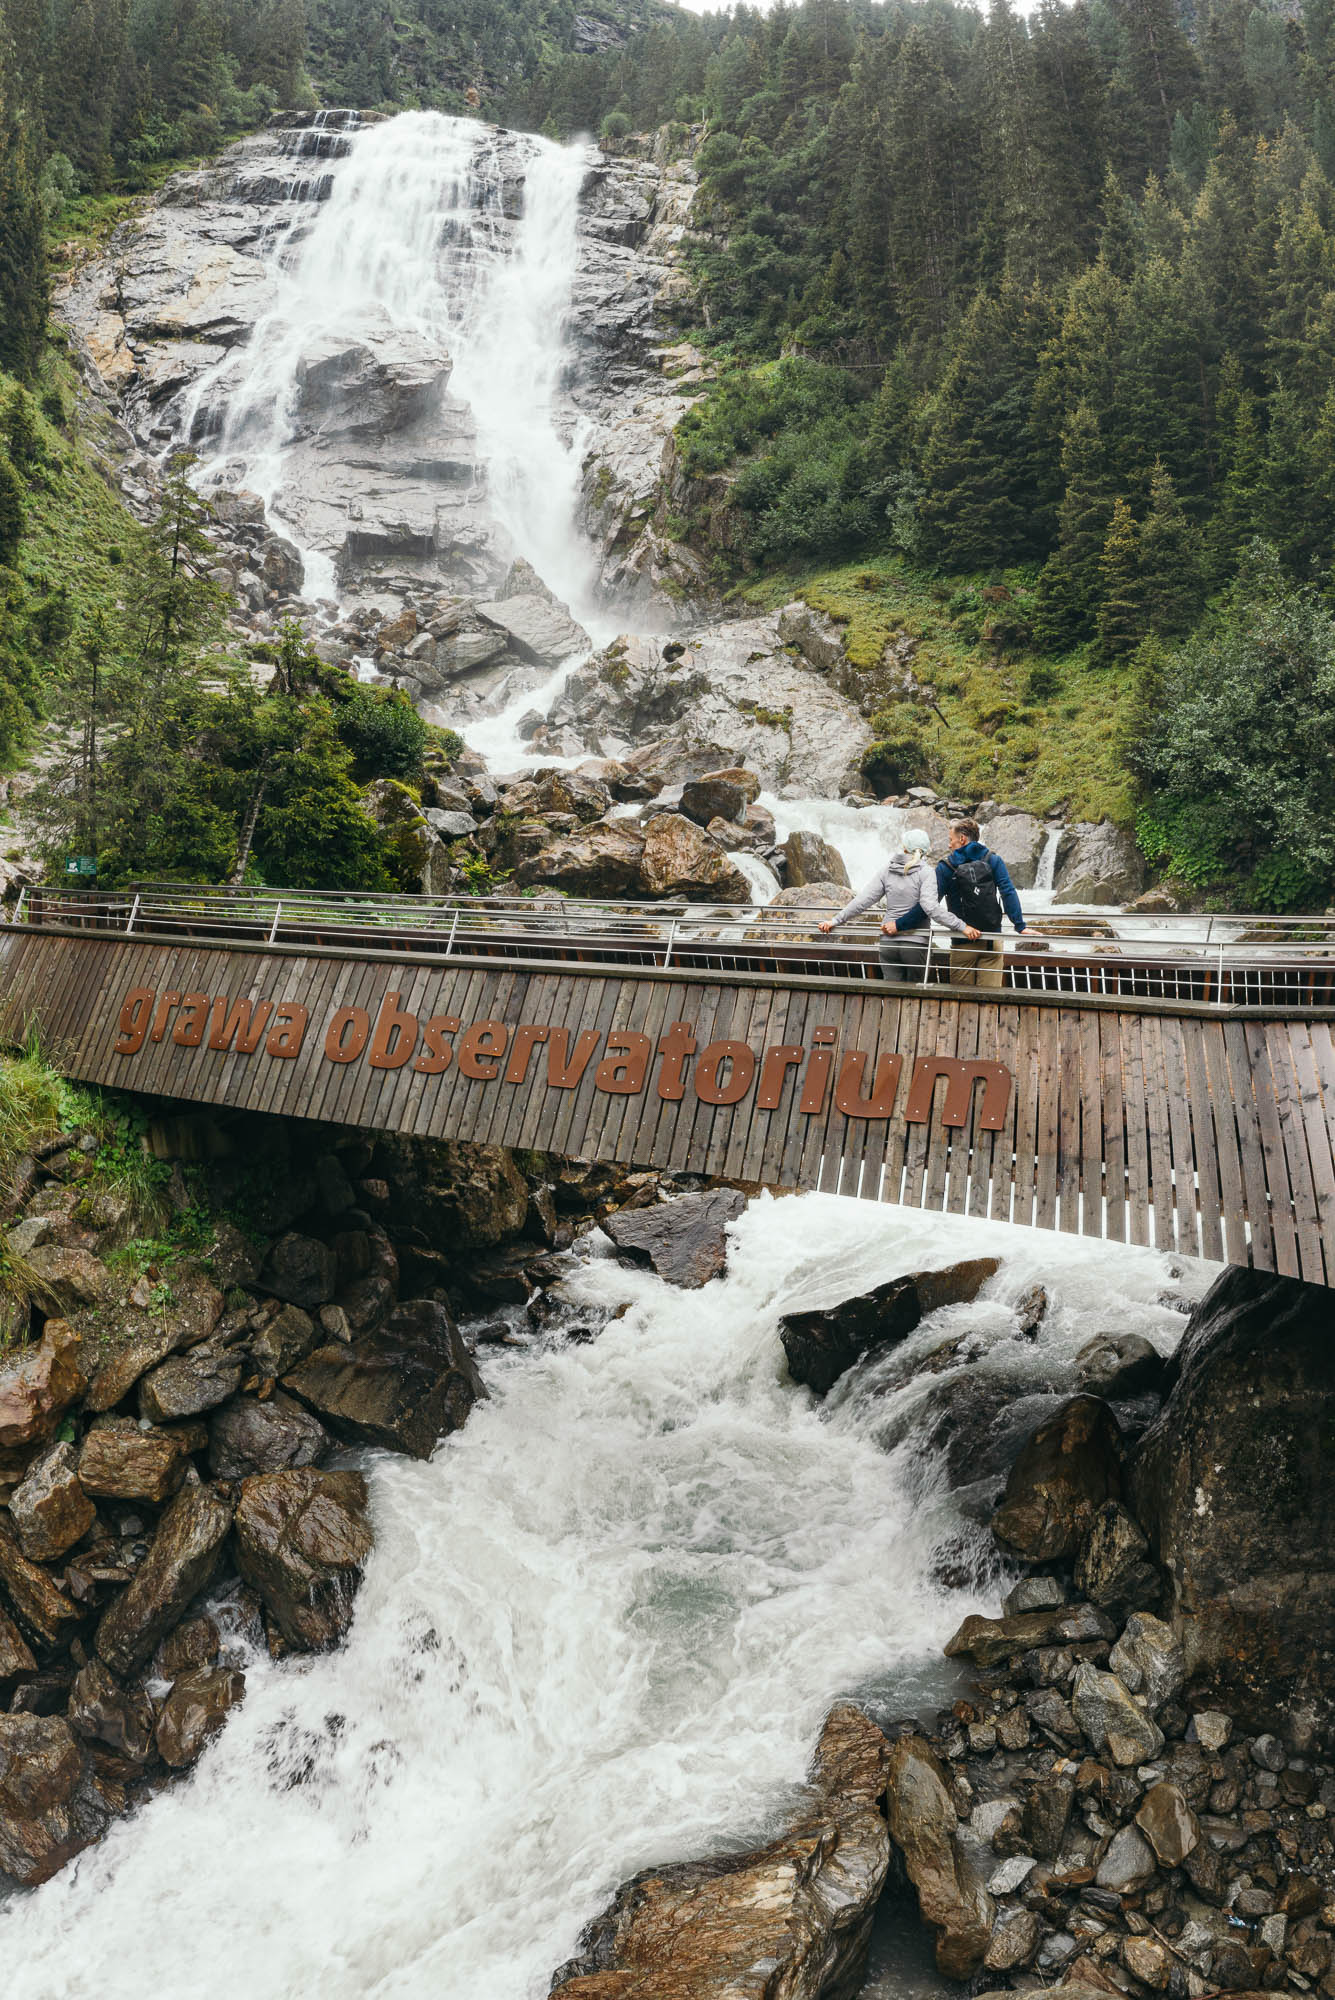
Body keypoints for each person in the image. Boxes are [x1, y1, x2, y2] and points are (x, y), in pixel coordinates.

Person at [817, 827, 979, 982]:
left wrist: (835, 920)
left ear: (904, 847)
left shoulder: (887, 869)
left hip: (888, 943)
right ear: (925, 850)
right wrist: (961, 926)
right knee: (915, 999)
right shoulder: (926, 872)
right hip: (915, 945)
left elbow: (863, 900)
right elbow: (930, 907)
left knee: (891, 998)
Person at [935, 817, 1027, 988]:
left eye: (951, 840)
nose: (949, 845)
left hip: (962, 940)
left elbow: (931, 904)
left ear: (962, 839)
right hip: (991, 939)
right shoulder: (993, 859)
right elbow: (1007, 891)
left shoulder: (945, 866)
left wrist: (901, 924)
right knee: (990, 1000)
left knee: (961, 999)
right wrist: (1020, 925)